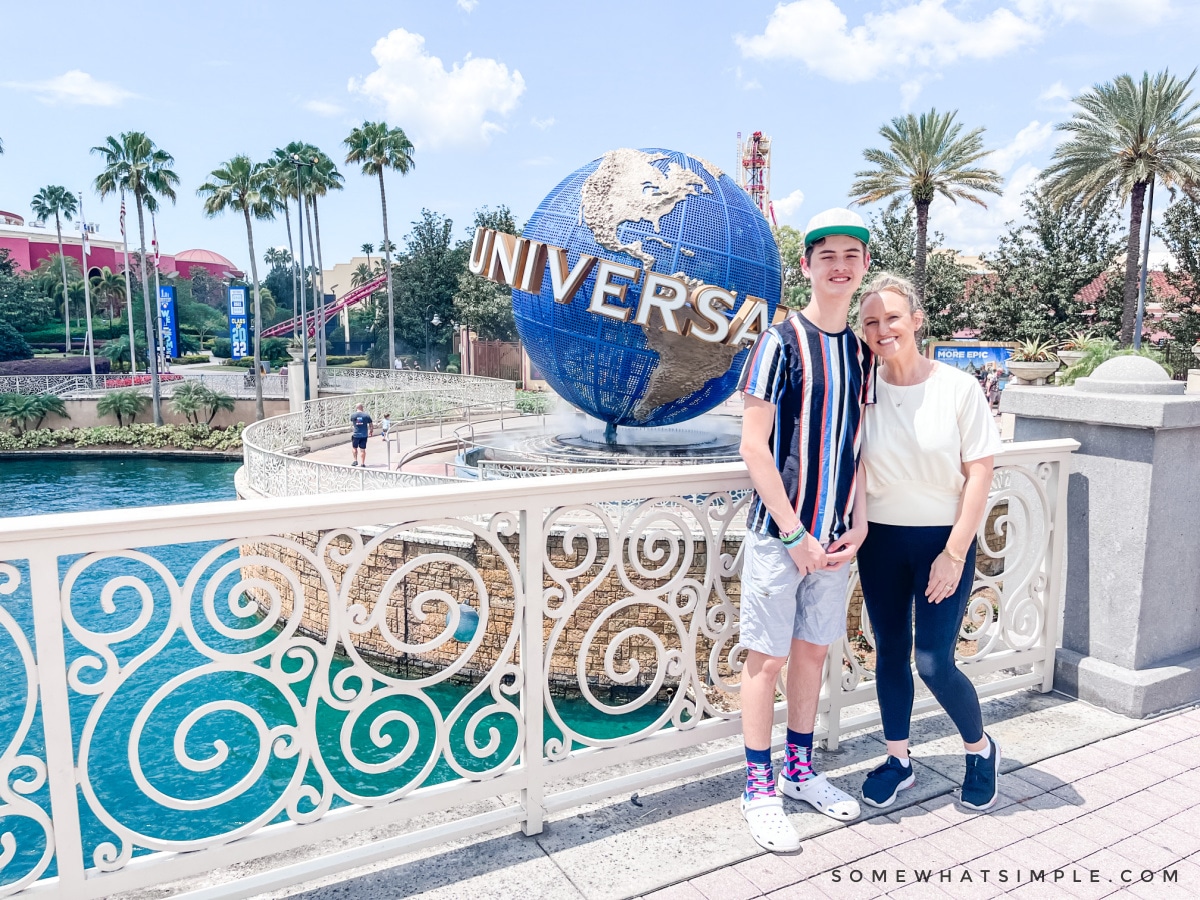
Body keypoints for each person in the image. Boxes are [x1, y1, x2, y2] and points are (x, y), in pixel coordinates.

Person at [736, 208, 876, 852]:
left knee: (814, 653)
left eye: (852, 254)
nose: (840, 266)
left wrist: (861, 519)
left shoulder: (860, 352)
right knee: (765, 658)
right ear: (808, 266)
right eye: (828, 256)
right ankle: (758, 787)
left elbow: (857, 446)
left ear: (863, 266)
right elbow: (755, 448)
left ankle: (799, 771)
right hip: (781, 535)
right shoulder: (780, 341)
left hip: (837, 540)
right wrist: (795, 534)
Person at [855, 273, 1003, 812]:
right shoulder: (861, 387)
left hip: (944, 542)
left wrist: (956, 551)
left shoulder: (957, 388)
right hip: (880, 543)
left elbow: (980, 473)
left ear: (916, 320)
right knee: (889, 652)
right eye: (870, 321)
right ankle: (899, 760)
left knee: (935, 661)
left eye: (892, 317)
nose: (882, 329)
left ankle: (980, 749)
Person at [349, 403, 373, 467]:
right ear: (362, 408)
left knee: (354, 448)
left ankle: (355, 460)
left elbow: (352, 422)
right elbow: (370, 424)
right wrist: (371, 431)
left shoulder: (353, 415)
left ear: (356, 408)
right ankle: (362, 463)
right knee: (363, 449)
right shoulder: (366, 415)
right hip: (364, 435)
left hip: (356, 435)